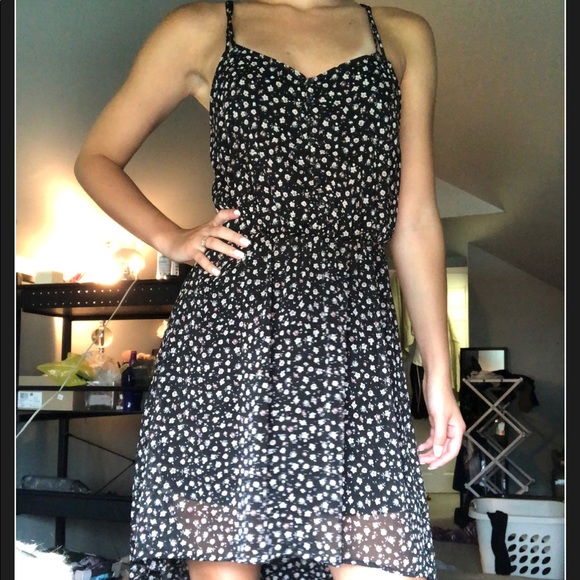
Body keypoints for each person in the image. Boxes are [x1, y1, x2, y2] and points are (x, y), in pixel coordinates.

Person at [74, 0, 466, 578]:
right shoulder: (201, 28)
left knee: (377, 558)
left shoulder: (403, 34)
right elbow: (97, 158)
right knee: (227, 564)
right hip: (231, 338)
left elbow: (415, 220)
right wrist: (171, 237)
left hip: (353, 344)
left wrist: (437, 370)